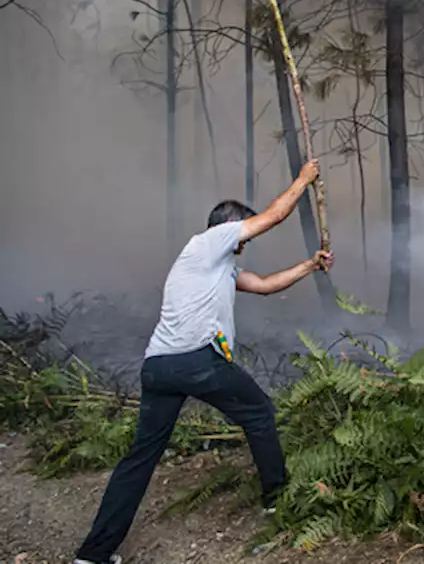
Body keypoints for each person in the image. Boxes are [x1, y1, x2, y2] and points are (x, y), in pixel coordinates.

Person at [72, 160, 335, 564]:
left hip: (159, 367)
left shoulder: (219, 266)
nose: (244, 243)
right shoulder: (208, 242)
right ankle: (277, 502)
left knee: (140, 458)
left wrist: (309, 265)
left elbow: (264, 286)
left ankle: (93, 554)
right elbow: (274, 216)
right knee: (261, 411)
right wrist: (303, 180)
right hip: (197, 360)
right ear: (227, 227)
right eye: (241, 233)